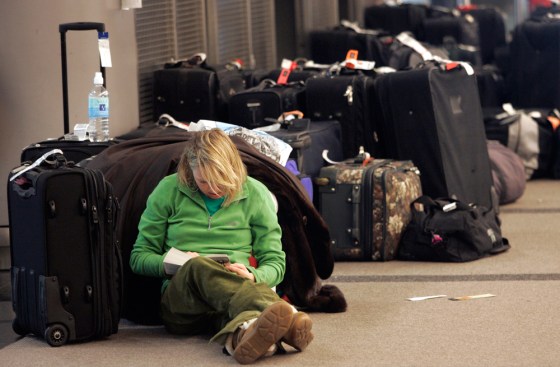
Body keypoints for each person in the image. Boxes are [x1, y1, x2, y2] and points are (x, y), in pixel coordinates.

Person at [130, 128, 314, 364]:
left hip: (232, 299)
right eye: (204, 181)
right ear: (189, 170)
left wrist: (253, 275)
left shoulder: (255, 193)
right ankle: (287, 317)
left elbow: (276, 262)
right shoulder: (168, 190)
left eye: (221, 181)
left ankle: (241, 336)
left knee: (246, 317)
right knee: (198, 266)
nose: (214, 189)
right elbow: (138, 258)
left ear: (234, 170)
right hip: (182, 305)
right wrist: (176, 262)